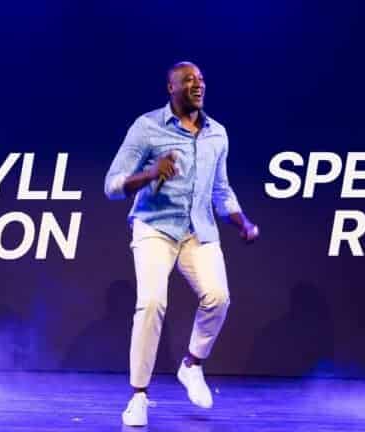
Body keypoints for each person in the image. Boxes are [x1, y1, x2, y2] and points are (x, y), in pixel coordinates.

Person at [104, 61, 259, 427]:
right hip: (154, 227)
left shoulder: (217, 134)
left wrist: (242, 222)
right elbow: (111, 185)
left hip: (199, 230)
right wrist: (149, 173)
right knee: (153, 302)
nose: (197, 85)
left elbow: (221, 189)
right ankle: (139, 396)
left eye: (201, 79)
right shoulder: (147, 128)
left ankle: (191, 365)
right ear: (170, 88)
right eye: (188, 80)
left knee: (218, 297)